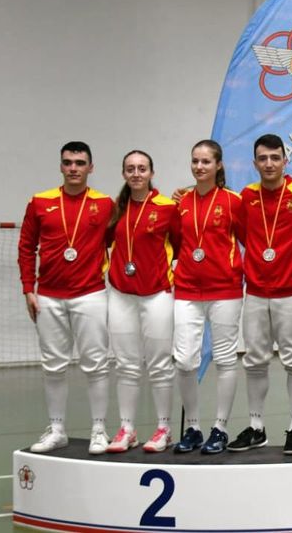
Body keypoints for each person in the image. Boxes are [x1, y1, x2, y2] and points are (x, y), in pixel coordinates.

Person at [18, 142, 114, 454]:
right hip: (48, 297)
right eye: (68, 162)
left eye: (80, 163)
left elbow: (123, 238)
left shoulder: (105, 204)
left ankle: (99, 429)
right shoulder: (40, 201)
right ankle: (57, 428)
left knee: (96, 365)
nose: (74, 168)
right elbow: (26, 246)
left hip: (91, 295)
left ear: (91, 167)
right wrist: (28, 289)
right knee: (53, 366)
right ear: (61, 166)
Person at [229, 135, 292, 454]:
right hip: (256, 292)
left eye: (274, 157)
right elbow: (238, 233)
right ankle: (256, 426)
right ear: (254, 163)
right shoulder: (246, 197)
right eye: (262, 158)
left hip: (291, 292)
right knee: (255, 361)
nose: (269, 164)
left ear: (285, 160)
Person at [172, 139, 246, 455]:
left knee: (226, 358)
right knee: (185, 360)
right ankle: (192, 427)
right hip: (187, 289)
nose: (200, 167)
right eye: (195, 161)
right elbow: (175, 243)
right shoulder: (180, 202)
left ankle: (220, 428)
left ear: (218, 166)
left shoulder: (233, 201)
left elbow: (248, 240)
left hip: (225, 289)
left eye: (206, 161)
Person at [105, 150, 182, 453]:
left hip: (157, 295)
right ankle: (127, 429)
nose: (136, 173)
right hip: (121, 295)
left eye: (142, 168)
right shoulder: (115, 209)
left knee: (160, 365)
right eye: (130, 169)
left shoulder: (167, 208)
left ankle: (164, 428)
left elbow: (179, 246)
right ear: (124, 174)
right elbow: (104, 243)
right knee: (126, 365)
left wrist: (169, 277)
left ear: (152, 173)